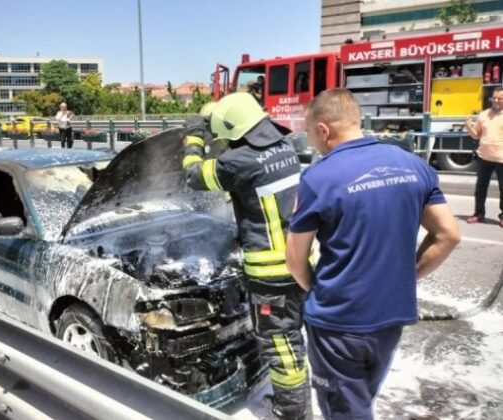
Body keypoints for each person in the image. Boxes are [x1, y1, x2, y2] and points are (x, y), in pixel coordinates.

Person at [285, 88, 460, 419]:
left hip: (339, 323)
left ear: (323, 130)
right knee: (361, 398)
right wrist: (406, 278)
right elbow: (449, 235)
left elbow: (295, 260)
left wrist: (320, 291)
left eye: (309, 133)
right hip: (391, 316)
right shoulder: (414, 166)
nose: (310, 142)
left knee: (346, 410)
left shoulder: (318, 178)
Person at [182, 92, 311, 419]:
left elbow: (193, 176)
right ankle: (294, 400)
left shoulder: (239, 162)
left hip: (270, 274)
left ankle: (292, 411)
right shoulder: (285, 146)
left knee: (281, 344)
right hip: (300, 261)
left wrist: (195, 135)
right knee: (293, 335)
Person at [464, 86, 503, 227]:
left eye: (500, 98)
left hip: (501, 158)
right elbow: (476, 135)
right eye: (495, 97)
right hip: (484, 157)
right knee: (480, 187)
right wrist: (468, 126)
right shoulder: (484, 115)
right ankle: (479, 213)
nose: (496, 100)